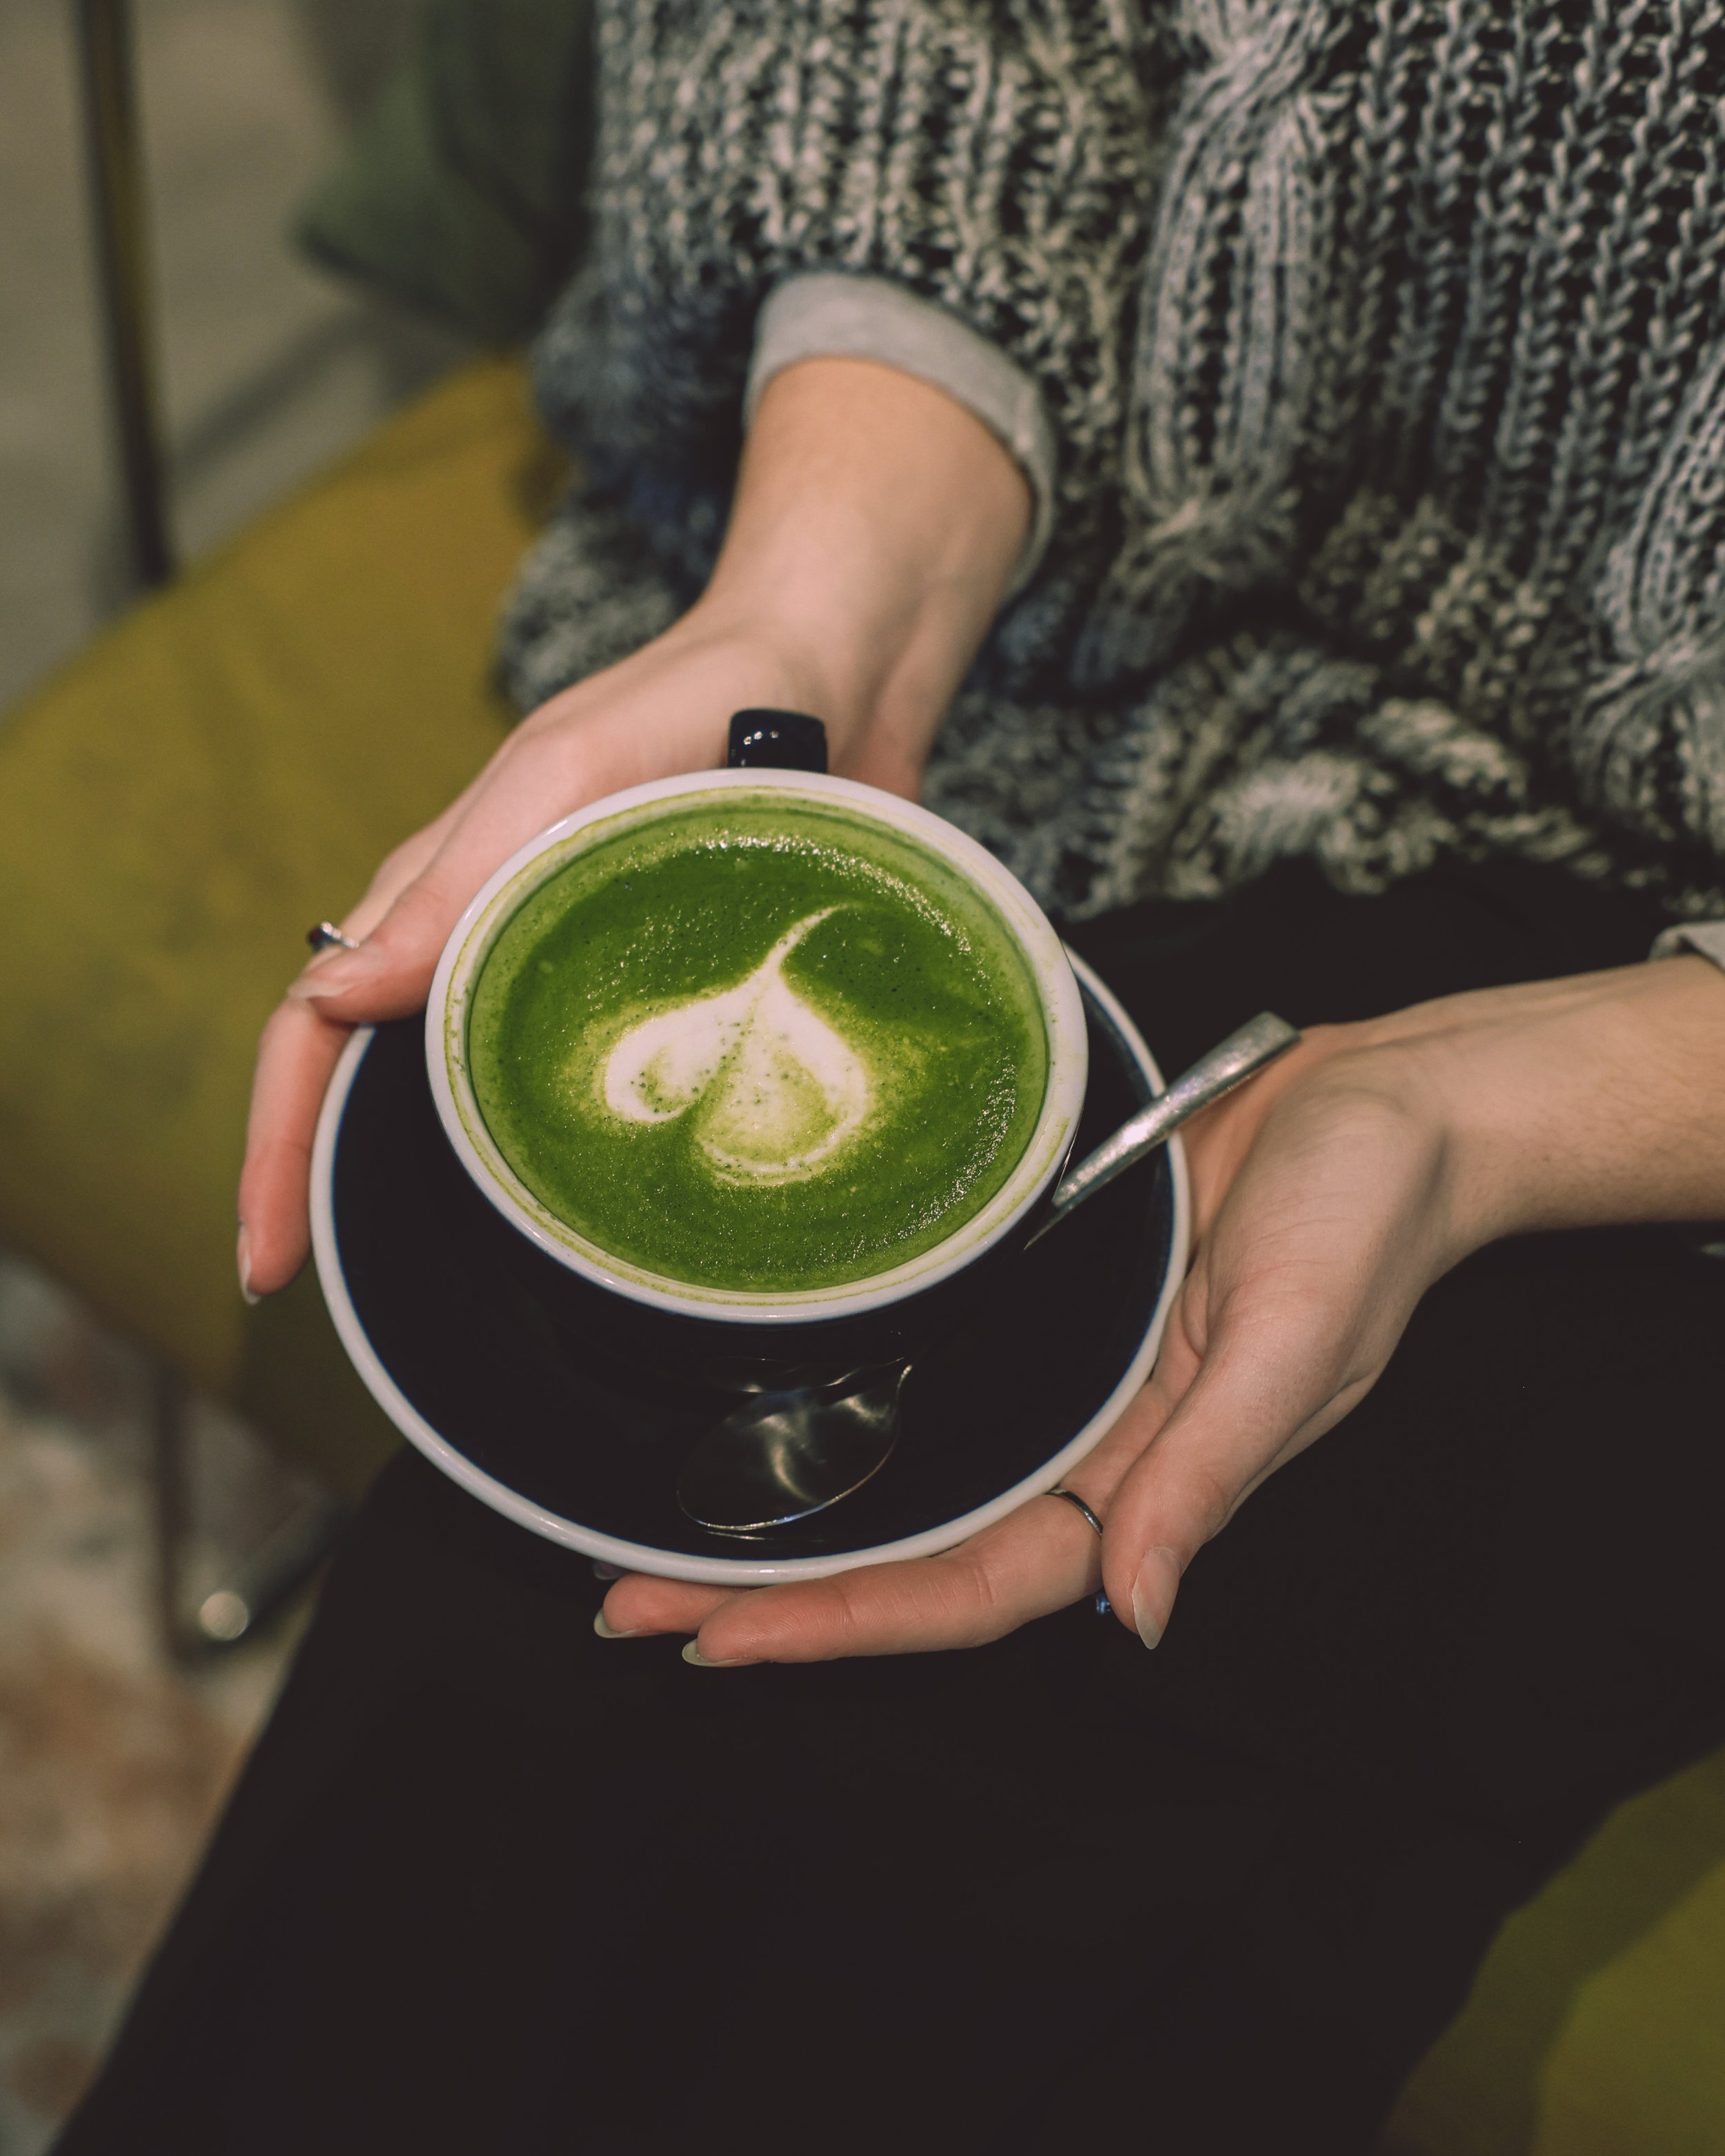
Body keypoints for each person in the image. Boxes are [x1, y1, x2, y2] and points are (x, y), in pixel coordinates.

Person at [62, 4, 1725, 2150]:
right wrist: (832, 595)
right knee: (535, 1632)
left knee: (1097, 1784)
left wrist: (1498, 1096)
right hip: (1069, 651)